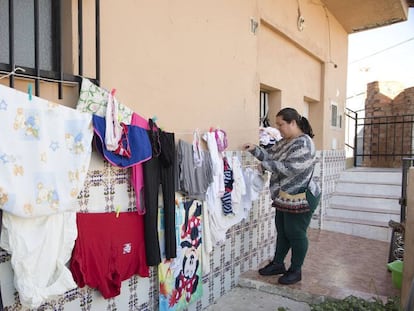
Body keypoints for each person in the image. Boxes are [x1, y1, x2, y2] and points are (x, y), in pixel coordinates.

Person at [243, 107, 321, 285]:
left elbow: (292, 168)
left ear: (293, 123)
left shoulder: (303, 143)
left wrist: (265, 166)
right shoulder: (285, 141)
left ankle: (296, 270)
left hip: (302, 194)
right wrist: (254, 149)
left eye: (281, 124)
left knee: (296, 232)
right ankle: (278, 264)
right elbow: (270, 155)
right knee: (283, 230)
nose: (278, 129)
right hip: (285, 195)